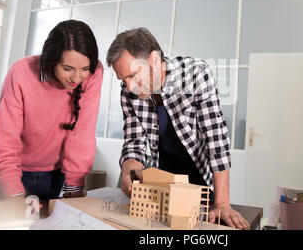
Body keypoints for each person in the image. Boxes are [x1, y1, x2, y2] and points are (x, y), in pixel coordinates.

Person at [106, 27, 249, 229]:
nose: (129, 87)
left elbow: (216, 139)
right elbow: (134, 141)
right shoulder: (128, 93)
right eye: (123, 80)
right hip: (163, 183)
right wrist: (130, 164)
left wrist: (222, 203)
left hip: (201, 180)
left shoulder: (196, 74)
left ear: (154, 60)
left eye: (133, 75)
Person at [0, 20, 104, 202]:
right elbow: (3, 143)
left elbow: (82, 133)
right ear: (52, 60)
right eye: (67, 68)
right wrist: (15, 196)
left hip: (53, 176)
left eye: (84, 69)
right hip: (10, 172)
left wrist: (74, 186)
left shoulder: (94, 74)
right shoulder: (21, 73)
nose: (77, 78)